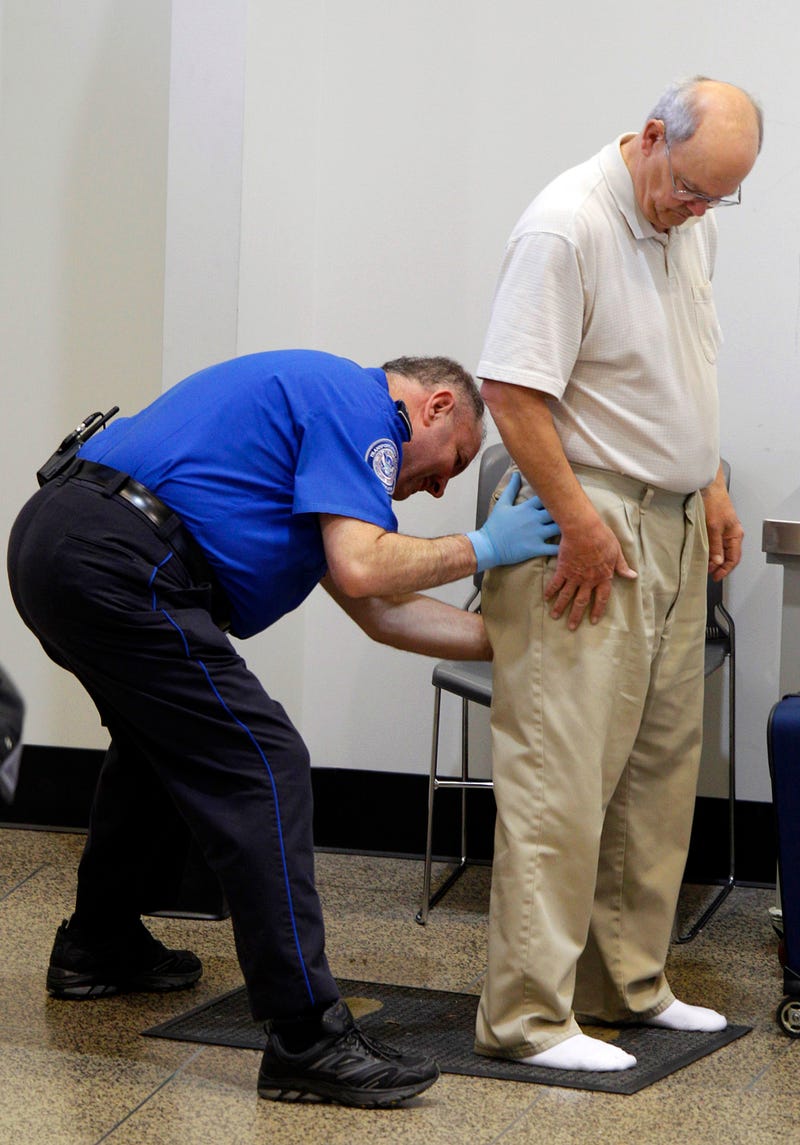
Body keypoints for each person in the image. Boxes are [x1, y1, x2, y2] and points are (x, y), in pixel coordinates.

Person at [6, 348, 559, 1108]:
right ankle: (307, 1037)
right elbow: (367, 571)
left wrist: (517, 643)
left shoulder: (324, 443)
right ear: (433, 406)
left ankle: (97, 945)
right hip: (115, 551)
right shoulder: (363, 410)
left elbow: (381, 612)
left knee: (157, 745)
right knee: (264, 760)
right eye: (450, 464)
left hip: (63, 539)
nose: (434, 487)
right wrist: (486, 548)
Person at [474, 77, 762, 1073]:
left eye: (719, 197)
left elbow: (681, 368)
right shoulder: (566, 224)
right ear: (646, 138)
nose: (697, 210)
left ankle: (625, 983)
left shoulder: (687, 227)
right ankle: (528, 1016)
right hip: (587, 518)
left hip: (673, 518)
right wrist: (574, 517)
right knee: (560, 771)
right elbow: (510, 391)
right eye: (688, 187)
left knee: (654, 766)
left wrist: (709, 480)